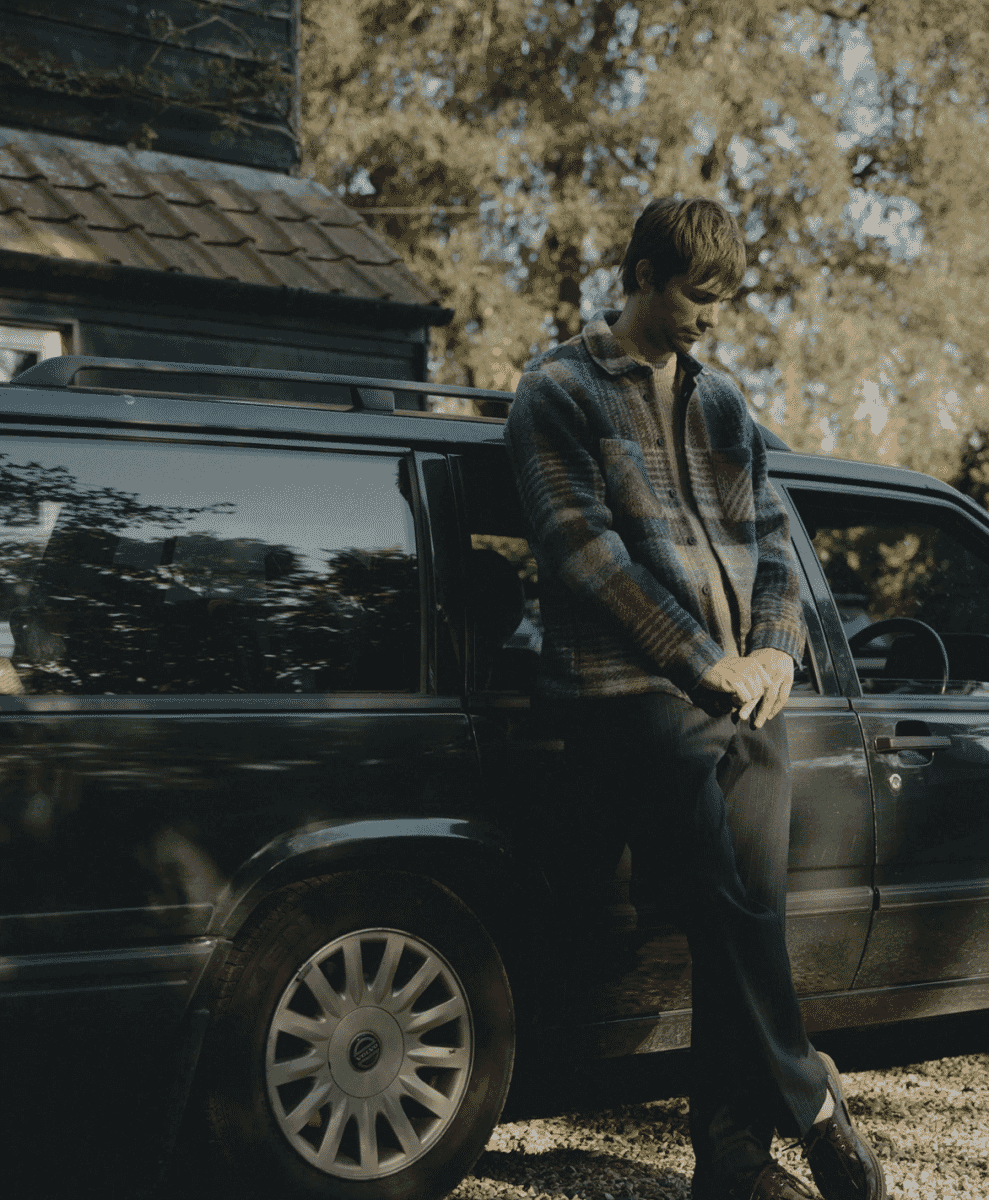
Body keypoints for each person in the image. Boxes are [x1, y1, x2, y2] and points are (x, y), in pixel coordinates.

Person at [504, 197, 887, 1200]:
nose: (705, 319)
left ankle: (733, 1162)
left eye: (720, 300)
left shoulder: (722, 403)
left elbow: (773, 545)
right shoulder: (557, 389)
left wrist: (768, 656)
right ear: (637, 275)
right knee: (735, 880)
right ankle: (794, 1099)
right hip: (618, 697)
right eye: (692, 295)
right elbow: (579, 551)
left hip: (730, 700)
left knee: (742, 905)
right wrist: (696, 661)